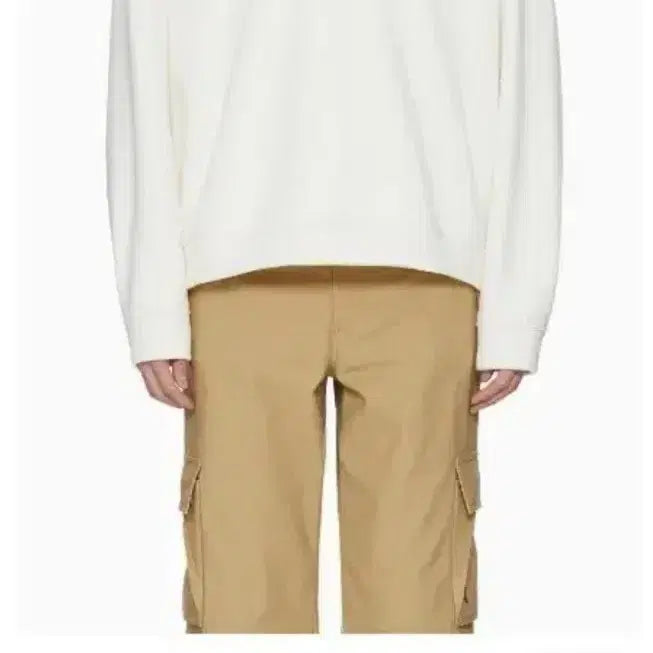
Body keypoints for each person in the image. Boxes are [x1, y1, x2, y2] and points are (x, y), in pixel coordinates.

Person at [106, 0, 562, 634]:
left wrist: (517, 303)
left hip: (424, 269)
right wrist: (153, 302)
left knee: (416, 604)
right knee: (243, 598)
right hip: (238, 272)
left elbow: (526, 75)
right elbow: (141, 74)